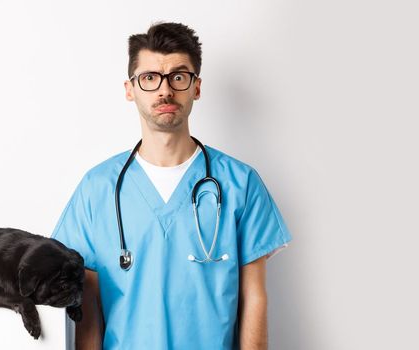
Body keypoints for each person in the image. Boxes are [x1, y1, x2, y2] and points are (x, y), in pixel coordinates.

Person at [51, 22, 292, 349]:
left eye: (178, 77)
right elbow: (87, 309)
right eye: (150, 78)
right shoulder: (98, 189)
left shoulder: (240, 184)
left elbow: (254, 300)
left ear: (196, 87)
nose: (165, 90)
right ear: (129, 89)